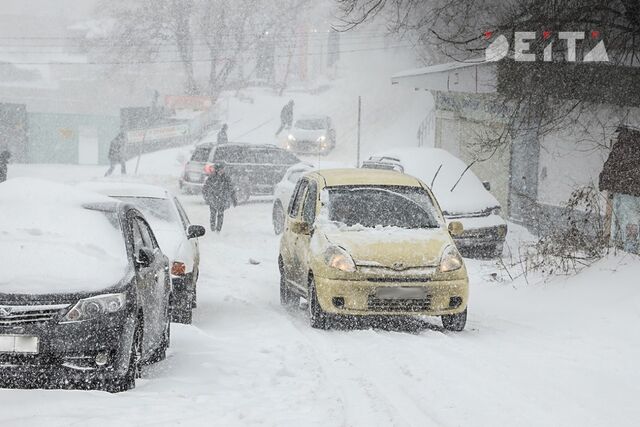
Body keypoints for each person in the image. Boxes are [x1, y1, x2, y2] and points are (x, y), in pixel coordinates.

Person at [202, 162, 237, 232]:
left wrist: (234, 199)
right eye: (221, 169)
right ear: (217, 169)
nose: (223, 170)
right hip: (213, 199)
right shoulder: (211, 177)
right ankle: (212, 229)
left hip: (222, 200)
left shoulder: (226, 178)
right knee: (213, 214)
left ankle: (218, 230)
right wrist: (207, 198)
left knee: (220, 214)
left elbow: (231, 188)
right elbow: (205, 188)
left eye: (223, 169)